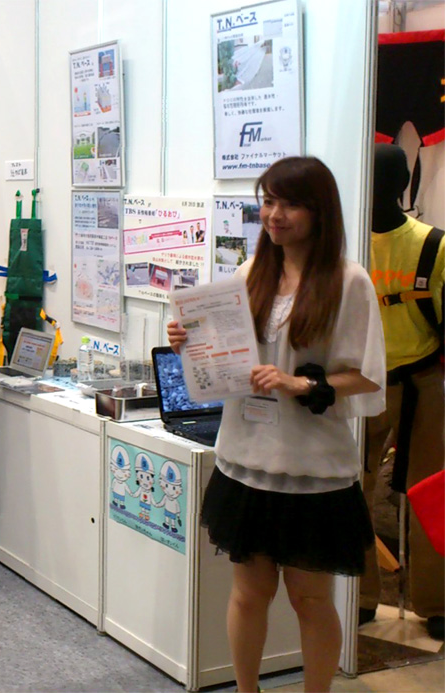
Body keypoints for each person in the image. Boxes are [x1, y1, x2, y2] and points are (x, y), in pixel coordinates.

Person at [168, 156, 386, 693]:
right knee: (247, 594)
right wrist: (187, 342)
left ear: (320, 211)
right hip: (246, 460)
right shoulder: (250, 273)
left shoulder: (348, 282)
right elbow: (226, 355)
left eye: (289, 203)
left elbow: (367, 377)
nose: (274, 214)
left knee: (310, 600)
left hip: (312, 469)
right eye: (267, 201)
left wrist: (301, 385)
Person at [359, 143, 444, 639]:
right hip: (360, 385)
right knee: (353, 492)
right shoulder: (345, 245)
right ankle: (362, 594)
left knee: (431, 494)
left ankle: (435, 601)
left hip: (421, 382)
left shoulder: (434, 245)